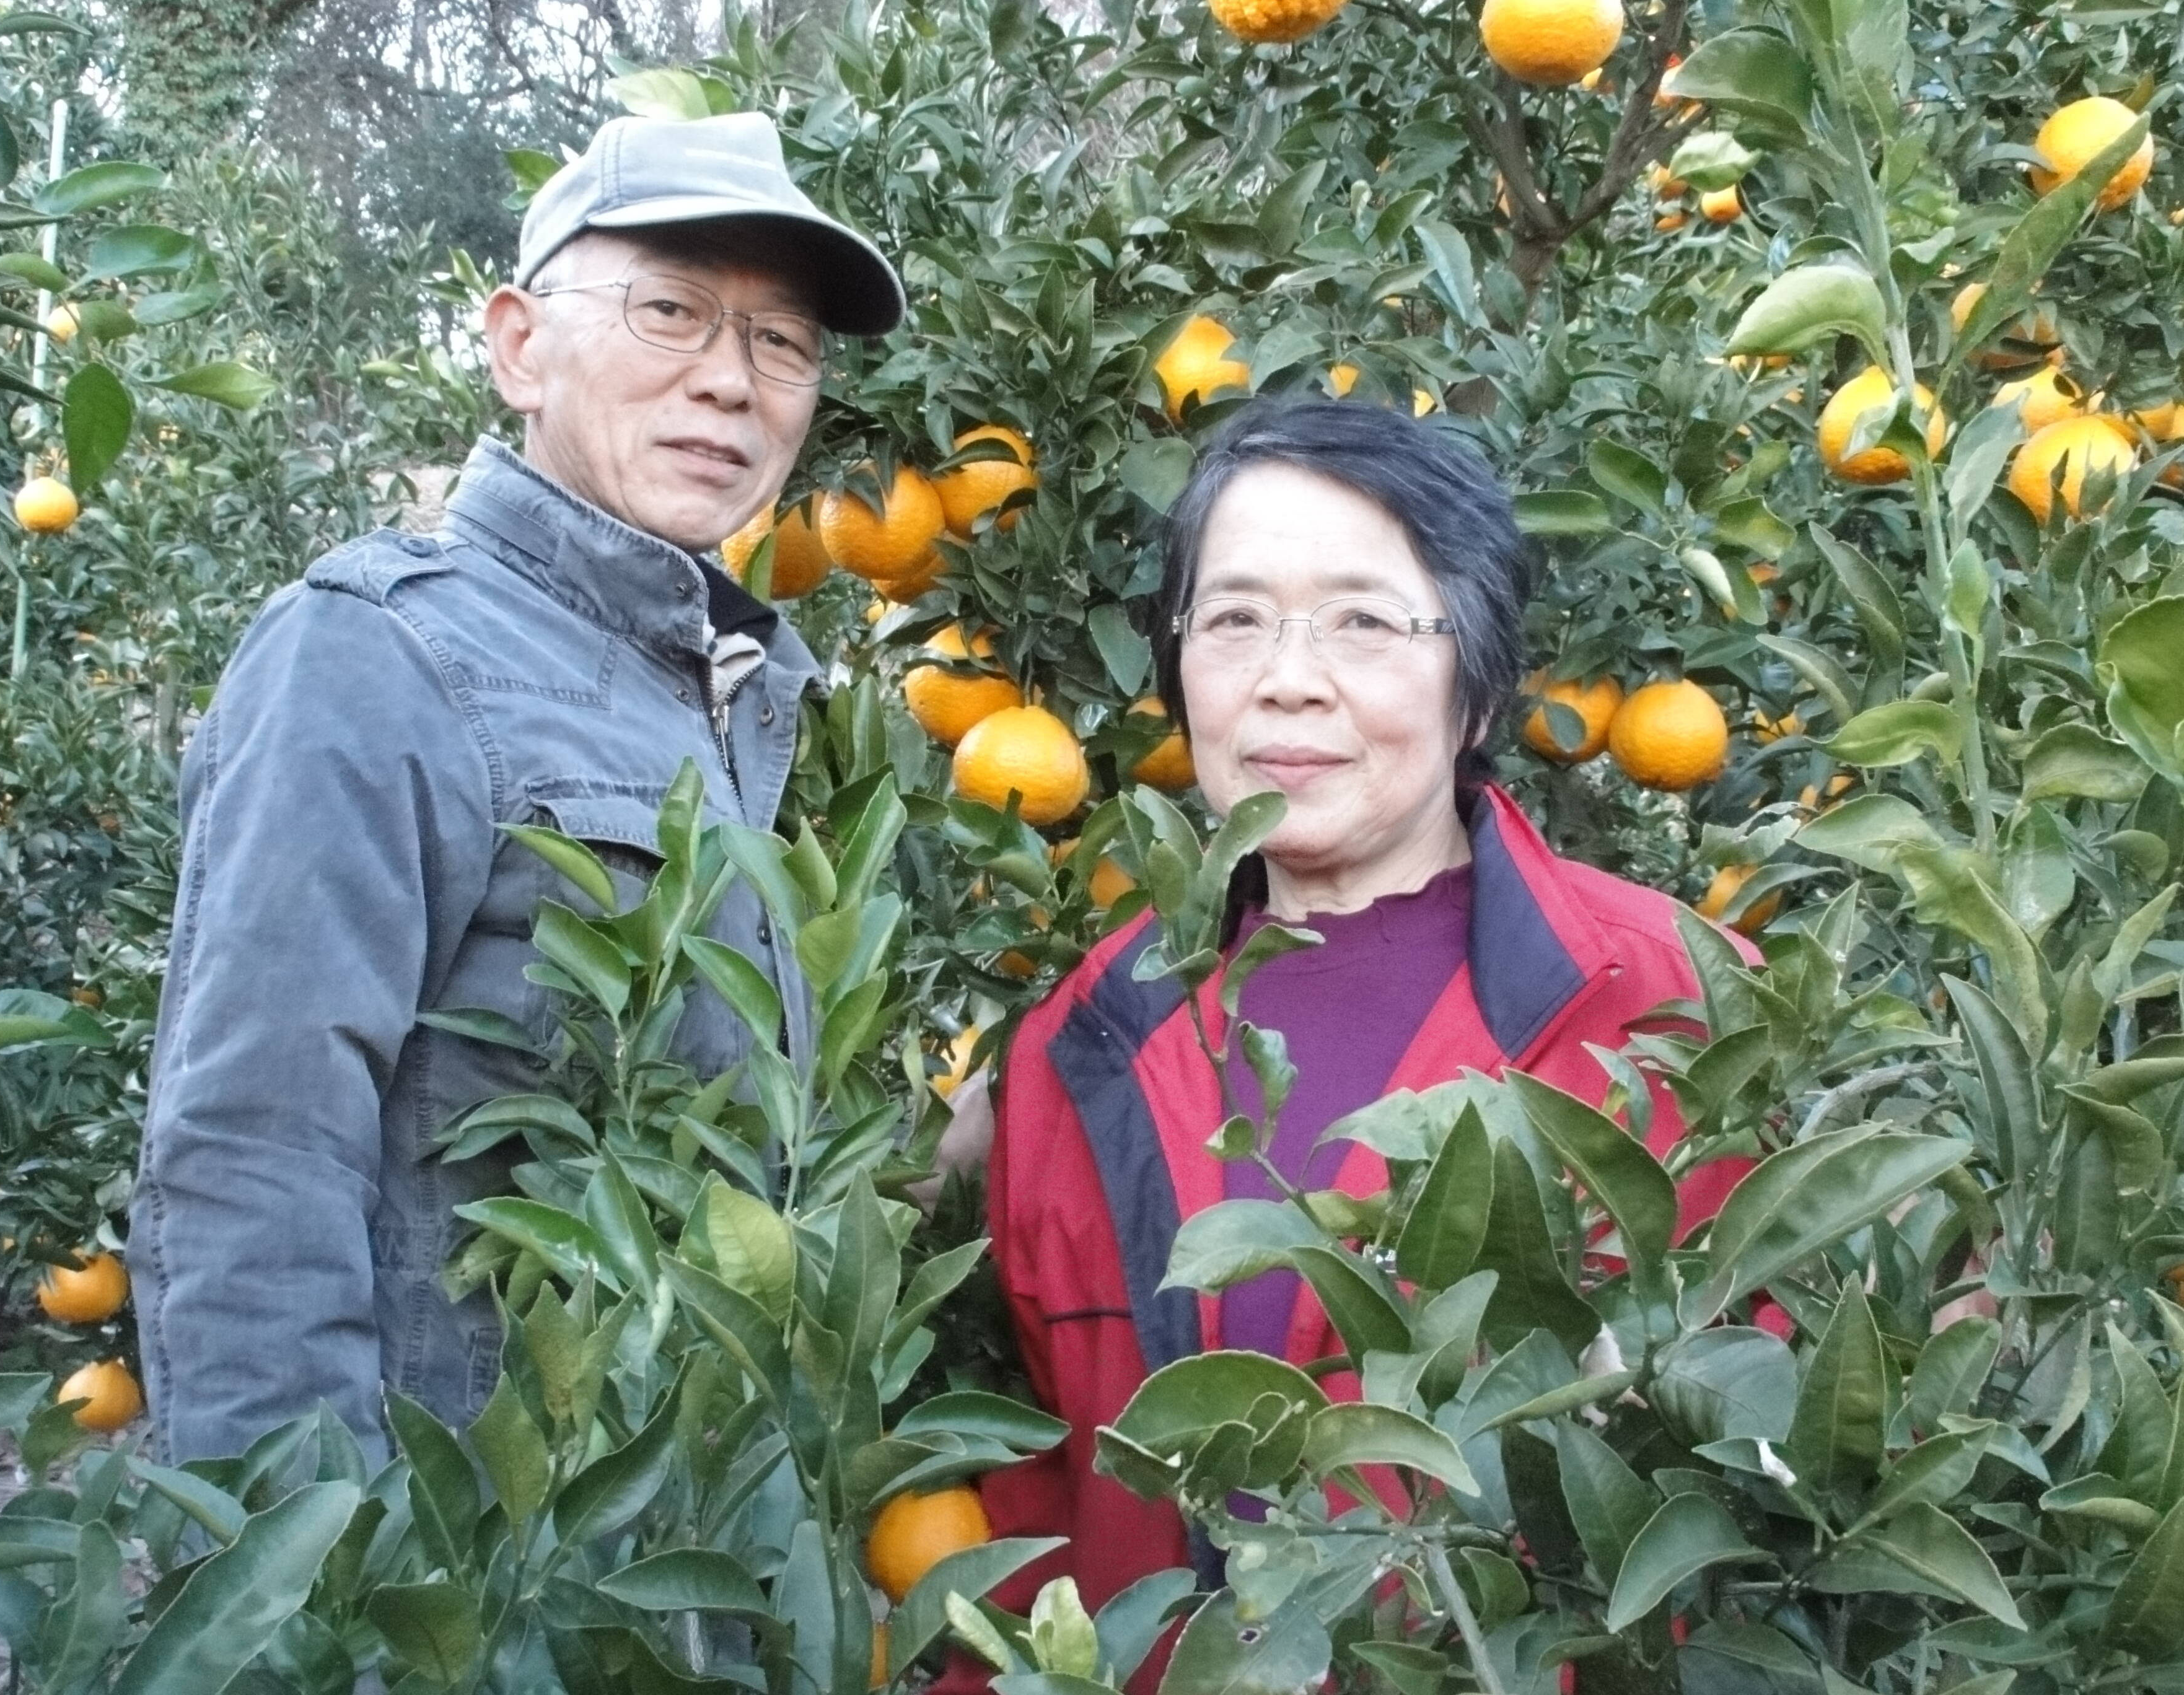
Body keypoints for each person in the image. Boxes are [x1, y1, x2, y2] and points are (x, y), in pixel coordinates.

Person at [129, 112, 904, 1465]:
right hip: (472, 1592)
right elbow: (250, 1167)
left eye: (780, 342)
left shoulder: (735, 693)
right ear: (518, 348)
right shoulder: (378, 652)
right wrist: (314, 1617)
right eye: (672, 310)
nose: (733, 379)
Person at [966, 398, 1756, 1631]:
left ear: (1478, 691)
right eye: (1232, 621)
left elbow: (1783, 1469)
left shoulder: (1669, 996)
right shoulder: (1084, 1043)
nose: (1288, 682)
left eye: (1364, 623)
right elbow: (1042, 1511)